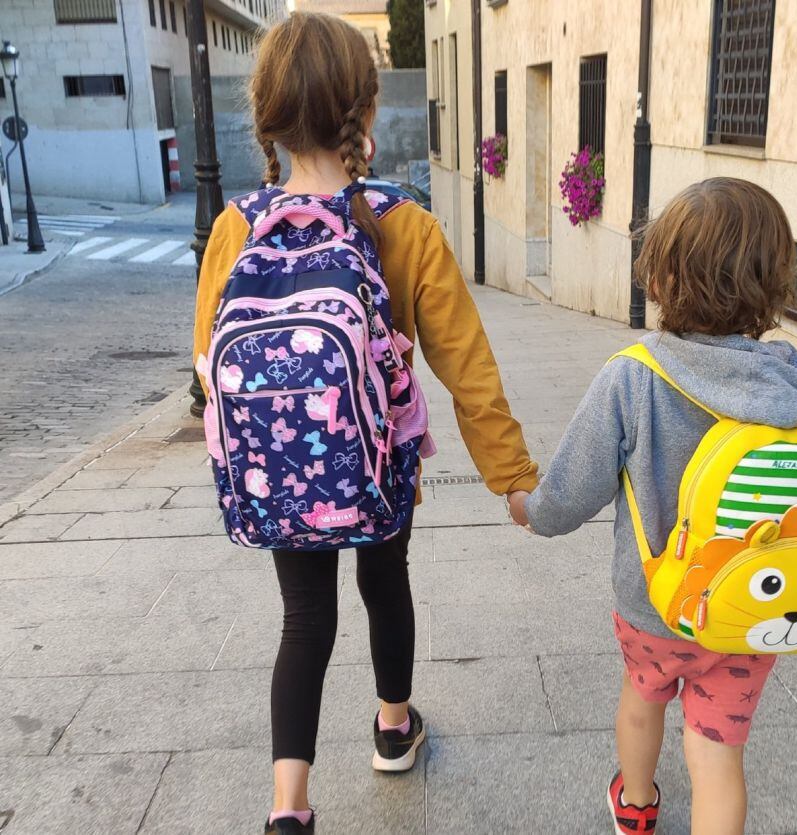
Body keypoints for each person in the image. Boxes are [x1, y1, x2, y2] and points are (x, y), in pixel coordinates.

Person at [192, 13, 537, 834]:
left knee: (304, 616)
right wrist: (512, 479)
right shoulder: (404, 224)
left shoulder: (236, 228)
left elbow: (209, 364)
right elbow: (467, 366)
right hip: (378, 465)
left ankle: (289, 808)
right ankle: (392, 725)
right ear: (366, 112)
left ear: (266, 117)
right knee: (386, 582)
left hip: (281, 470)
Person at [511, 178, 797, 834]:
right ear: (775, 283)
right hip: (753, 606)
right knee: (718, 753)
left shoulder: (634, 376)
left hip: (656, 605)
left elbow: (571, 494)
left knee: (642, 700)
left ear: (659, 279)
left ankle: (635, 805)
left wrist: (528, 506)